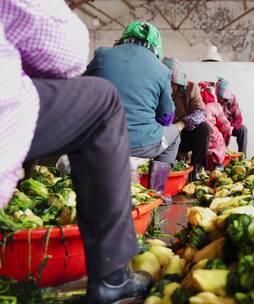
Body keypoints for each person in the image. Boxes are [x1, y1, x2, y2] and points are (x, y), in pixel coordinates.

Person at [0, 1, 149, 303]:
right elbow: (67, 56)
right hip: (145, 145)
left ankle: (25, 180)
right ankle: (112, 276)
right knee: (103, 102)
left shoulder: (105, 54)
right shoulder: (166, 72)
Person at [85, 21, 180, 192]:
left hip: (98, 140)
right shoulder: (162, 70)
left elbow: (80, 88)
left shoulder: (102, 54)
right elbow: (166, 117)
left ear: (124, 37)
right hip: (140, 145)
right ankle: (156, 192)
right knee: (175, 136)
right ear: (156, 46)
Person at [162, 57, 211, 180]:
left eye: (171, 84)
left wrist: (182, 123)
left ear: (178, 82)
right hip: (164, 136)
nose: (168, 87)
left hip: (184, 135)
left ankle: (197, 168)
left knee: (204, 128)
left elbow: (201, 112)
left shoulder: (191, 88)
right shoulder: (158, 90)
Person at [199, 82, 232, 169]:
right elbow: (226, 127)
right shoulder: (215, 106)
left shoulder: (198, 103)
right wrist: (226, 140)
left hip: (199, 141)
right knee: (218, 138)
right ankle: (218, 166)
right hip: (213, 141)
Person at [215, 77, 248, 154]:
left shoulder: (232, 99)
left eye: (224, 97)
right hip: (216, 127)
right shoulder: (211, 97)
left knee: (243, 129)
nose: (222, 99)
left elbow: (238, 117)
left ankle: (242, 156)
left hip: (229, 126)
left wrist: (232, 127)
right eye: (220, 97)